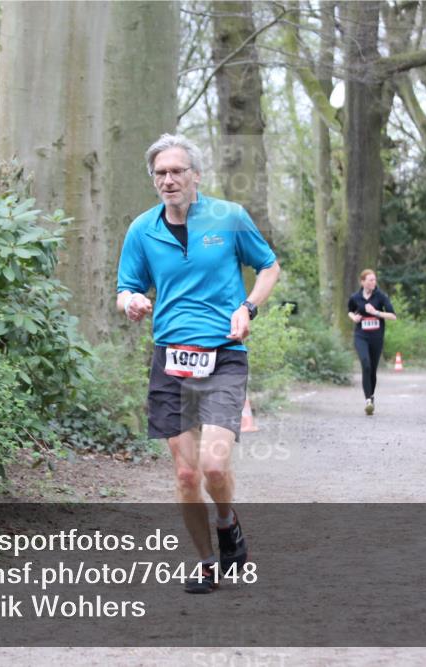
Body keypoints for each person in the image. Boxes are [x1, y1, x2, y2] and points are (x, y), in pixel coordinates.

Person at [116, 134, 280, 594]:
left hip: (224, 354)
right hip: (170, 357)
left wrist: (248, 308)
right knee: (186, 474)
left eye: (176, 171)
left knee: (212, 464)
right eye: (160, 173)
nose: (168, 179)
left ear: (195, 176)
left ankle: (228, 524)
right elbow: (126, 287)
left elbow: (269, 266)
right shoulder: (141, 230)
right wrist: (130, 302)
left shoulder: (229, 218)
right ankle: (207, 561)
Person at [347, 269, 396, 415]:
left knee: (372, 369)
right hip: (361, 336)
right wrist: (353, 317)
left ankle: (371, 396)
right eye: (370, 280)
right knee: (365, 363)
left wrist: (376, 312)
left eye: (374, 280)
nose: (373, 282)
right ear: (362, 282)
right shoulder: (355, 297)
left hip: (376, 337)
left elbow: (393, 316)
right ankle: (368, 400)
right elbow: (350, 310)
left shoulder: (380, 297)